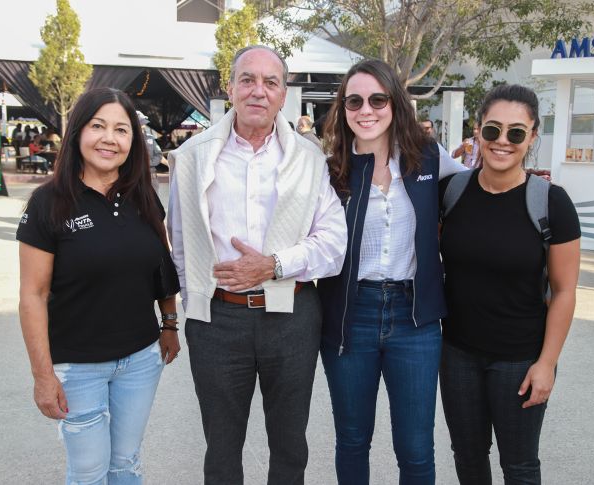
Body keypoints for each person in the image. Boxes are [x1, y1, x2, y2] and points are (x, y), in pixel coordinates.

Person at [167, 45, 348, 485]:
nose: (258, 91)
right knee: (222, 447)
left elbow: (334, 244)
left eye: (270, 82)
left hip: (292, 316)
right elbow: (178, 242)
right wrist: (192, 311)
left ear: (283, 95)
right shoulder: (191, 157)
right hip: (217, 321)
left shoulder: (309, 159)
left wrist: (274, 265)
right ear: (229, 88)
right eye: (247, 79)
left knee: (289, 446)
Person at [16, 87, 180, 485]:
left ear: (132, 142)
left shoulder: (144, 196)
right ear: (77, 133)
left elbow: (161, 265)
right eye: (98, 126)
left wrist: (170, 322)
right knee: (88, 472)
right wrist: (43, 376)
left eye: (122, 130)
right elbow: (32, 296)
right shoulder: (48, 202)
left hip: (141, 361)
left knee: (126, 463)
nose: (110, 138)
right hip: (79, 366)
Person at [316, 59, 467, 485]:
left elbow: (480, 190)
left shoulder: (429, 160)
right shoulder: (330, 173)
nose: (366, 110)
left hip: (414, 319)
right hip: (349, 317)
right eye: (354, 101)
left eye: (377, 99)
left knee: (417, 448)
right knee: (351, 439)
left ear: (395, 104)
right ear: (343, 109)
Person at [437, 84, 581, 484]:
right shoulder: (452, 192)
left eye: (516, 132)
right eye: (493, 130)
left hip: (520, 359)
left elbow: (565, 291)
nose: (502, 141)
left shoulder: (552, 203)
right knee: (467, 456)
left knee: (518, 464)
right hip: (458, 355)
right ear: (477, 129)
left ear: (532, 137)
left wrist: (547, 364)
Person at [136, 110, 165, 192]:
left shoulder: (150, 137)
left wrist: (149, 162)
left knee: (154, 202)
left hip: (151, 176)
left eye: (143, 123)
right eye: (141, 123)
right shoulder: (129, 139)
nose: (143, 125)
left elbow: (159, 155)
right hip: (135, 177)